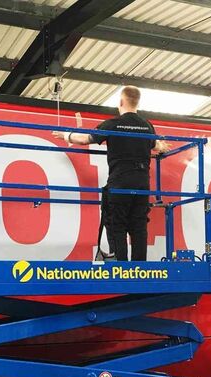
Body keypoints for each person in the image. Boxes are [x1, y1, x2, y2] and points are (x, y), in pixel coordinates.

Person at [52, 86, 168, 261]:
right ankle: (140, 269)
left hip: (120, 180)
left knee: (116, 223)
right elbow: (157, 146)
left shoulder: (113, 124)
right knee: (139, 224)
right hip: (142, 182)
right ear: (137, 102)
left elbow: (85, 139)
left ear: (121, 102)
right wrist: (161, 146)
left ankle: (121, 267)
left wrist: (66, 135)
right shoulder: (147, 126)